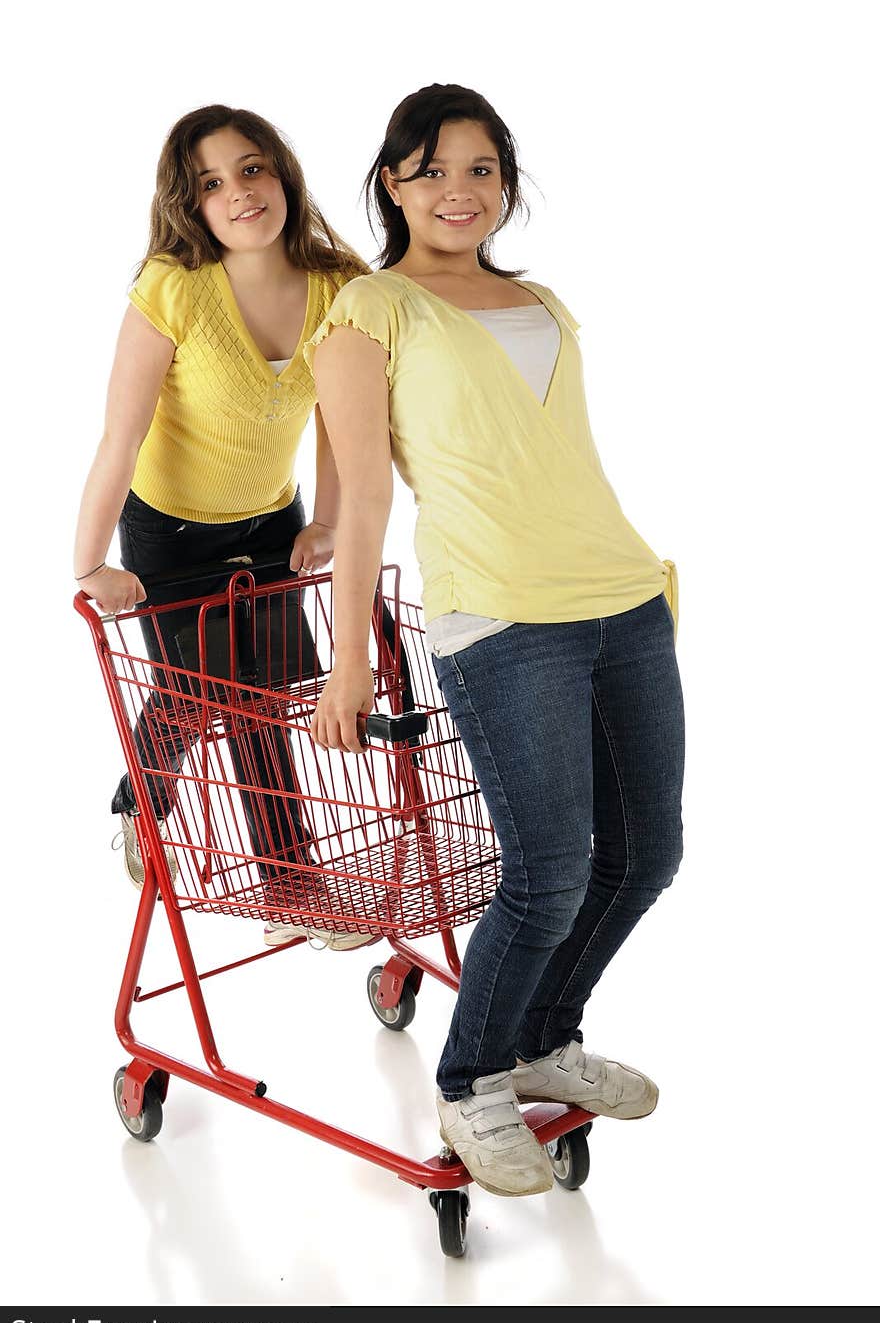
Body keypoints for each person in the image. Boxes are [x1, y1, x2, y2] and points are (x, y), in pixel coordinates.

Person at [304, 84, 685, 1194]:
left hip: (621, 595)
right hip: (501, 616)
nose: (458, 191)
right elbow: (365, 498)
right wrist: (350, 660)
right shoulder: (372, 310)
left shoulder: (542, 299)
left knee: (646, 853)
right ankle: (472, 1077)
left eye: (480, 169)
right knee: (547, 873)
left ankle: (538, 1038)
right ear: (391, 182)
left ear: (505, 185)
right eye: (430, 170)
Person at [74, 104, 374, 950]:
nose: (239, 193)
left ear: (282, 172)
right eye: (212, 183)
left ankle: (293, 884)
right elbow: (120, 435)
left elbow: (339, 418)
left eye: (252, 169)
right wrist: (88, 561)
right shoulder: (174, 286)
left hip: (270, 519)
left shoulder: (336, 282)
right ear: (190, 203)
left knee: (267, 702)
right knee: (194, 692)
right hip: (171, 531)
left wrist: (327, 519)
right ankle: (141, 803)